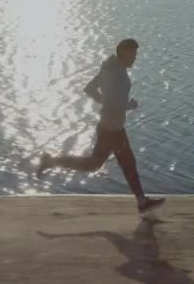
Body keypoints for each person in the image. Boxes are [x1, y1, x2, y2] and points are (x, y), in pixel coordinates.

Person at [37, 38, 165, 215]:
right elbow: (113, 104)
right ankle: (51, 160)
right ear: (124, 54)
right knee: (114, 164)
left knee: (107, 164)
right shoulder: (118, 75)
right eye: (133, 55)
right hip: (112, 130)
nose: (135, 58)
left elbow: (89, 89)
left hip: (109, 127)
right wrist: (130, 105)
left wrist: (104, 102)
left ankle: (142, 202)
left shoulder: (108, 68)